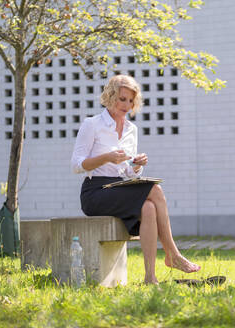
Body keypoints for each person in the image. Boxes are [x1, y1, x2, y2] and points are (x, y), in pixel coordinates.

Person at [71, 74, 200, 284]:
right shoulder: (92, 124)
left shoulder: (132, 129)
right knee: (155, 190)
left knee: (149, 208)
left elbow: (129, 172)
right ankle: (173, 254)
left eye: (131, 100)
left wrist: (137, 166)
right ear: (111, 96)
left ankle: (150, 277)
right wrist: (106, 158)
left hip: (120, 187)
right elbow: (77, 165)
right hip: (95, 192)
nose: (127, 105)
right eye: (122, 99)